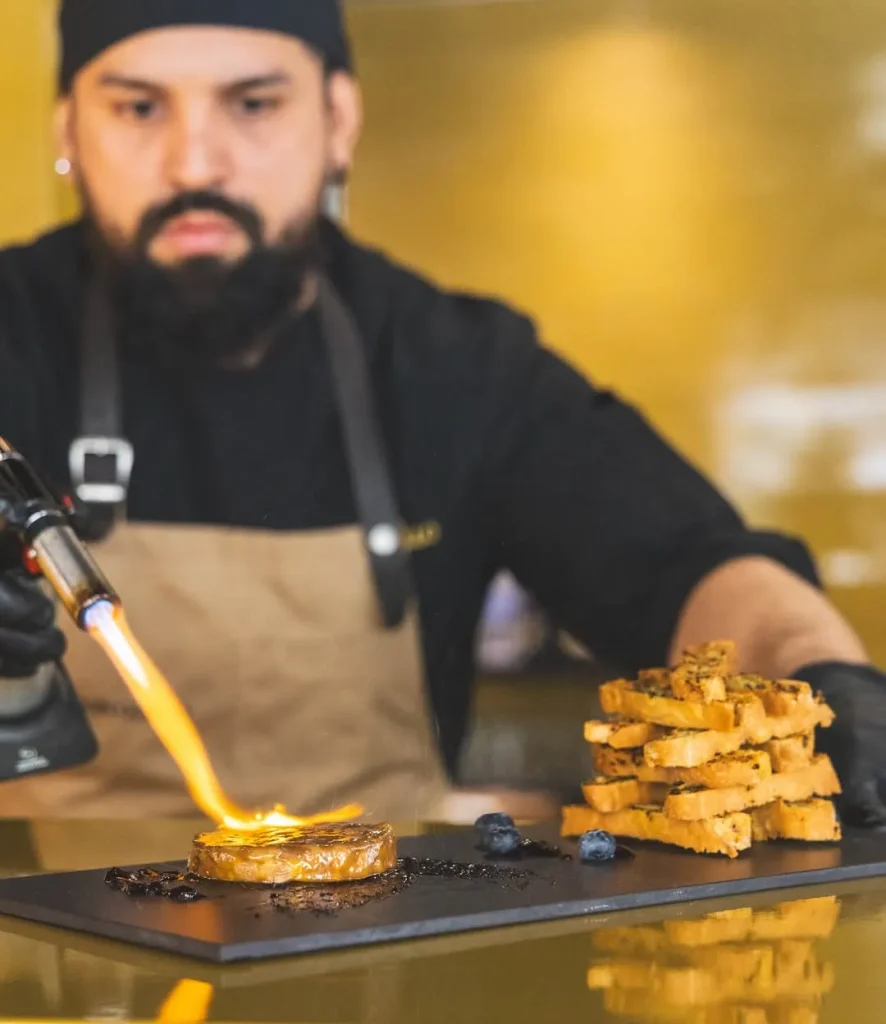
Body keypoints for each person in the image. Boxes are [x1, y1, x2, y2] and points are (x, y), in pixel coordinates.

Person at [0, 0, 883, 825]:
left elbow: (687, 566)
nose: (195, 162)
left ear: (339, 122)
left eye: (254, 104)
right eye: (139, 110)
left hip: (378, 956)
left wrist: (821, 681)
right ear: (69, 130)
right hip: (51, 970)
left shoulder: (458, 362)